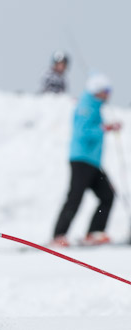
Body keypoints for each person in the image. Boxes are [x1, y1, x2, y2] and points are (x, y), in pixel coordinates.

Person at [52, 73, 122, 247]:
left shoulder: (96, 107)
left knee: (107, 195)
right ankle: (59, 235)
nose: (108, 94)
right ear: (97, 90)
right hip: (81, 159)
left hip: (93, 162)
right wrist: (104, 128)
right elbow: (83, 132)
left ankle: (94, 233)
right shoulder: (86, 105)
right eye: (106, 90)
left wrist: (106, 127)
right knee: (75, 197)